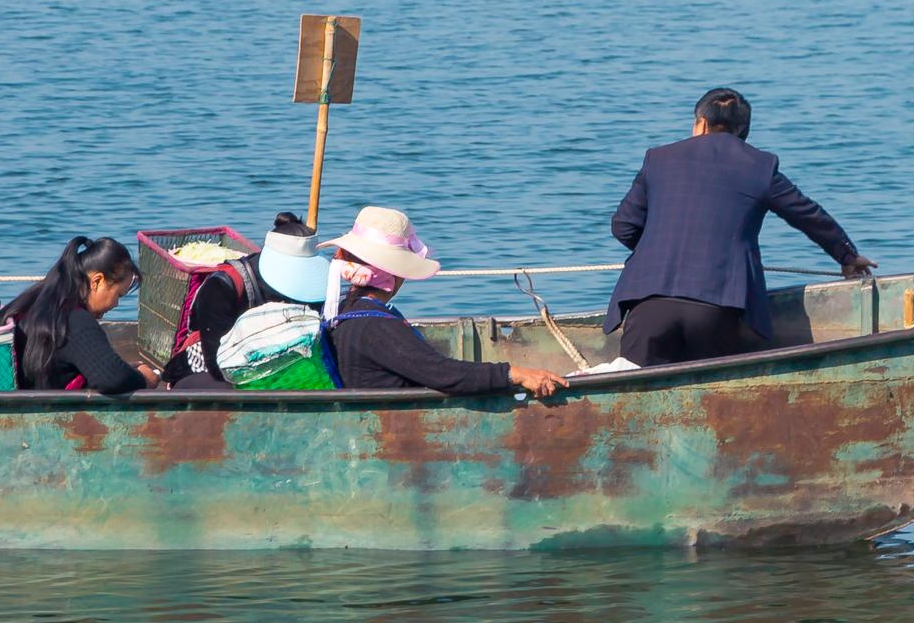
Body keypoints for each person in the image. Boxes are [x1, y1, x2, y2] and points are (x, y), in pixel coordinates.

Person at [604, 87, 878, 367]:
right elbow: (807, 214)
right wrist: (847, 255)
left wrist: (660, 249)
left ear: (700, 124)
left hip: (649, 306)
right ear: (743, 131)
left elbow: (623, 227)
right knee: (714, 396)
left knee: (634, 389)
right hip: (717, 306)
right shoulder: (760, 166)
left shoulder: (658, 158)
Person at [319, 206, 568, 399]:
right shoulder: (376, 326)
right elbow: (443, 373)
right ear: (395, 273)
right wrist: (515, 373)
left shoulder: (341, 311)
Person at [3, 236, 151, 396]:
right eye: (118, 295)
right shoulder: (75, 320)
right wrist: (143, 379)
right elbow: (112, 379)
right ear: (97, 281)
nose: (116, 304)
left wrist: (124, 369)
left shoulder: (34, 301)